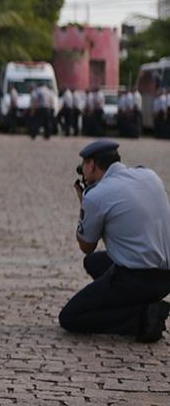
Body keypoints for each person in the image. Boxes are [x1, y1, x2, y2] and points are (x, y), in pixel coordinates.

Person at [59, 140, 170, 342]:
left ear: (91, 165)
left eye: (83, 165)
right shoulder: (149, 175)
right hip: (166, 278)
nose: (82, 171)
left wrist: (84, 207)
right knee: (93, 263)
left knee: (70, 317)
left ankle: (142, 318)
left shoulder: (96, 195)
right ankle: (140, 304)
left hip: (134, 278)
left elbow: (86, 246)